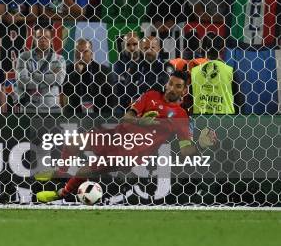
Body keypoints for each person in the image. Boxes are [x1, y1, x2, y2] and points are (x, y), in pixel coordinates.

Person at [36, 70, 217, 203]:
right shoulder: (151, 95)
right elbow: (127, 117)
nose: (171, 88)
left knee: (86, 169)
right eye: (170, 83)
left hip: (131, 151)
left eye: (177, 86)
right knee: (74, 142)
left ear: (184, 91)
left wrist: (200, 145)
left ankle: (61, 194)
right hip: (116, 135)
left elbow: (185, 151)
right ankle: (60, 172)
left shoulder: (181, 116)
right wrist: (142, 122)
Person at [16, 26, 66, 114]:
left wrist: (34, 75)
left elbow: (58, 79)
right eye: (39, 37)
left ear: (51, 40)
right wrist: (50, 79)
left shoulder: (59, 59)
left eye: (46, 37)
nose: (43, 40)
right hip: (29, 110)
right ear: (35, 40)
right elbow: (22, 82)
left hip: (53, 110)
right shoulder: (24, 57)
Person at [63, 38, 116, 116]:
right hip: (75, 113)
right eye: (77, 51)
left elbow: (112, 99)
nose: (80, 55)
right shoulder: (68, 70)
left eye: (85, 52)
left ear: (91, 53)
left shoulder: (104, 71)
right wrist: (76, 73)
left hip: (99, 113)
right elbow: (66, 92)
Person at [191, 34, 242, 114]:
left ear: (204, 49)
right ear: (223, 50)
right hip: (225, 120)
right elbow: (239, 101)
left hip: (199, 121)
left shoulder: (194, 71)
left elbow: (190, 101)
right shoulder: (230, 71)